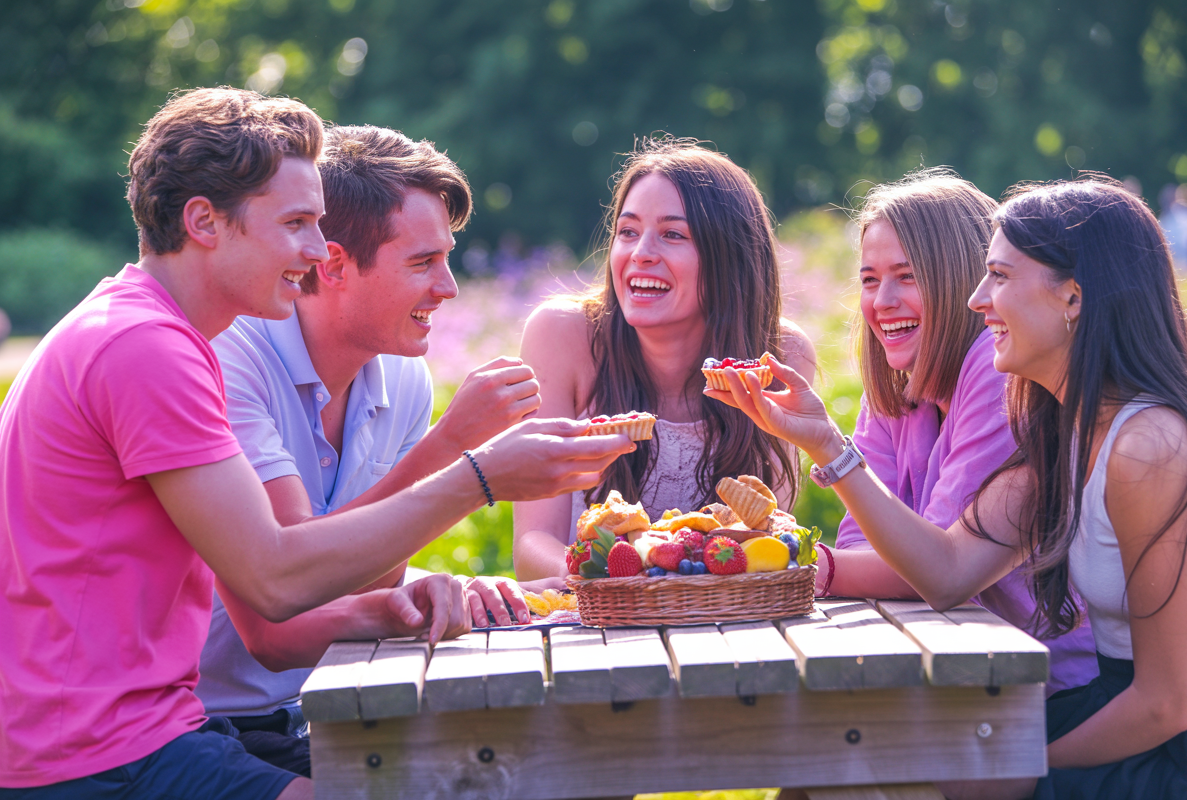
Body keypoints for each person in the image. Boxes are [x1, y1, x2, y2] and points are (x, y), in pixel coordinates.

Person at [0, 88, 633, 799]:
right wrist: (478, 474)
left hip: (135, 733)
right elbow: (274, 583)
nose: (312, 250)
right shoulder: (147, 348)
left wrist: (398, 601)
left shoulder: (155, 332)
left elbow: (292, 574)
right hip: (92, 752)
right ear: (204, 222)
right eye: (297, 222)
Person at [713, 177, 1187, 799]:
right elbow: (948, 570)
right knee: (832, 766)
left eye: (1001, 277)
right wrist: (824, 442)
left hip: (1182, 753)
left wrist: (1017, 763)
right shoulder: (1059, 431)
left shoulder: (1148, 448)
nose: (979, 300)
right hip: (1111, 712)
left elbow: (1167, 705)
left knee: (872, 780)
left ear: (1073, 297)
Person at [196, 124, 549, 777]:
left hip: (319, 707)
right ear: (331, 266)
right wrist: (455, 450)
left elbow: (375, 569)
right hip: (201, 725)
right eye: (421, 263)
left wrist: (442, 592)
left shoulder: (401, 374)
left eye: (447, 257)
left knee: (541, 763)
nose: (447, 288)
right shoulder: (231, 359)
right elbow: (285, 599)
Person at [802, 169, 1096, 696]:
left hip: (1046, 682)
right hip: (950, 658)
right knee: (823, 747)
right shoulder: (896, 383)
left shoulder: (996, 369)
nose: (882, 301)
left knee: (839, 744)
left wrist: (806, 566)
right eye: (870, 279)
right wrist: (833, 562)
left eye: (907, 276)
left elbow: (931, 566)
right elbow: (861, 539)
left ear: (961, 278)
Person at [512, 137, 816, 580]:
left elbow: (767, 539)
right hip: (596, 622)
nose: (641, 254)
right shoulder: (562, 335)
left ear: (729, 258)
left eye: (672, 234)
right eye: (628, 232)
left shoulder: (781, 356)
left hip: (729, 622)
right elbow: (531, 546)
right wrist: (629, 584)